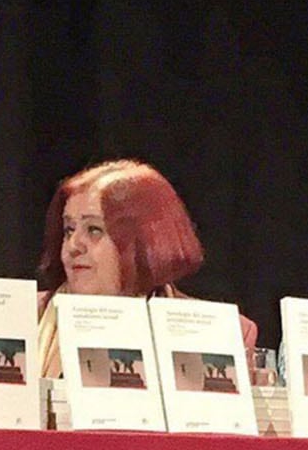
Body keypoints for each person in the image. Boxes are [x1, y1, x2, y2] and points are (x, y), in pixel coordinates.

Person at [33, 159, 256, 377]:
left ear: (144, 242)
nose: (73, 246)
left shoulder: (221, 332)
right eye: (69, 230)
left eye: (93, 230)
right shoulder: (25, 316)